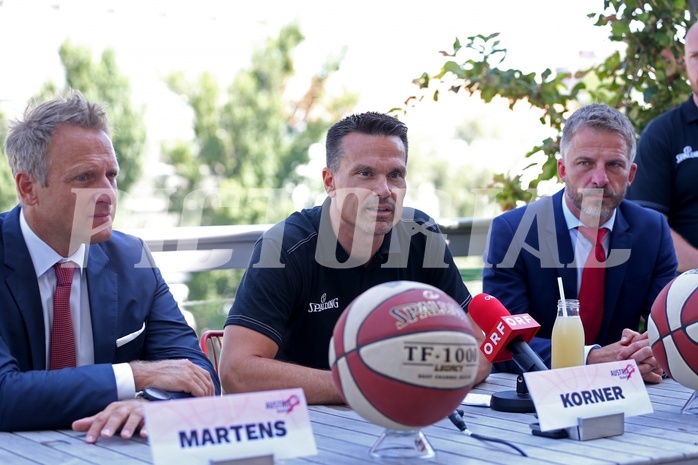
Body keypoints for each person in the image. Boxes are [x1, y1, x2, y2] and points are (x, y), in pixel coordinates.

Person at [218, 112, 492, 403]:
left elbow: (480, 347)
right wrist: (370, 386)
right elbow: (236, 371)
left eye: (395, 175)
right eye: (366, 174)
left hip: (405, 415)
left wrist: (421, 380)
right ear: (330, 181)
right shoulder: (285, 247)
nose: (384, 190)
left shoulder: (421, 236)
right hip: (307, 426)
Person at [0, 91, 220, 441]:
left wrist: (153, 401)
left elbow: (197, 373)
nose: (107, 194)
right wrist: (134, 377)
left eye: (111, 175)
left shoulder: (132, 258)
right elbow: (4, 396)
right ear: (28, 188)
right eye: (84, 178)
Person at [482, 103, 677, 383]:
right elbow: (509, 344)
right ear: (562, 169)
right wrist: (591, 359)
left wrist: (648, 354)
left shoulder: (652, 230)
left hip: (633, 392)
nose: (599, 179)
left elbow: (671, 329)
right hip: (536, 401)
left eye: (614, 165)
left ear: (631, 174)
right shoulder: (513, 232)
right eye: (585, 163)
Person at [627, 22, 698, 272]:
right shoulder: (662, 134)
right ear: (684, 62)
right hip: (688, 293)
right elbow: (650, 229)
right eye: (695, 56)